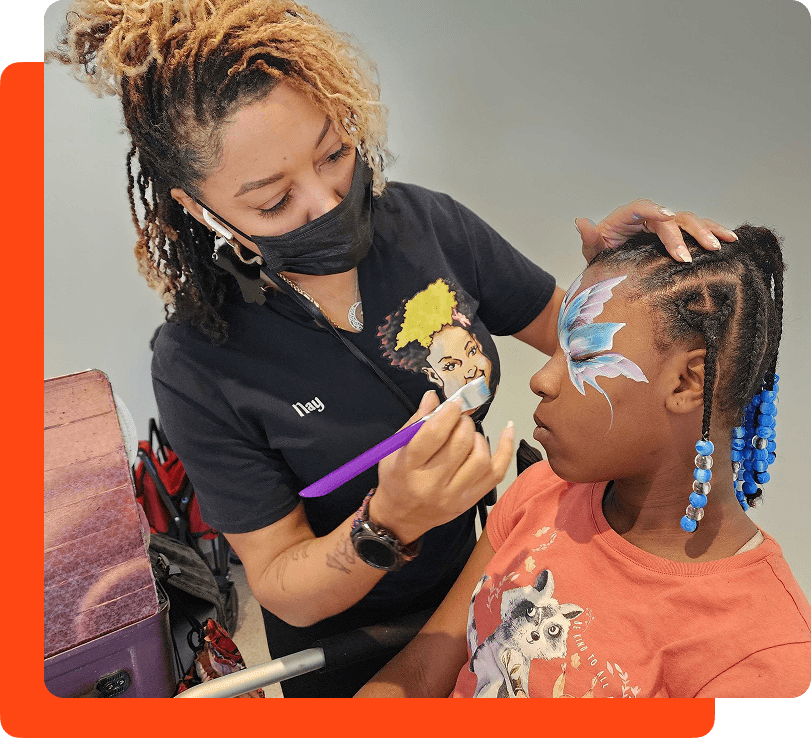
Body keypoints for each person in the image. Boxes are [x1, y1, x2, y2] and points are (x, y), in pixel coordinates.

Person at [48, 0, 738, 697]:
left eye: (334, 154)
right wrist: (386, 525)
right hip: (344, 645)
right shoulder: (199, 362)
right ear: (200, 209)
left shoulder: (427, 226)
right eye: (273, 201)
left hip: (482, 582)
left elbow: (577, 338)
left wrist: (616, 282)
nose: (328, 202)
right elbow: (282, 583)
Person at [356, 225, 811, 698]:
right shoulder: (543, 493)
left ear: (687, 382)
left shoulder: (766, 656)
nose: (541, 379)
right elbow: (424, 671)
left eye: (582, 353)